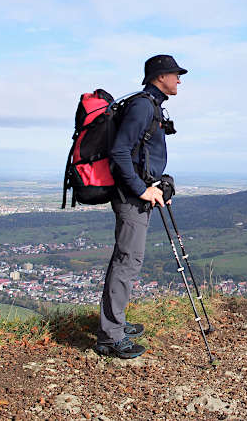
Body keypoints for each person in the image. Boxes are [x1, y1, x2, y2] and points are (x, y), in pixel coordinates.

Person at [94, 54, 187, 358]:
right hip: (130, 197)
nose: (179, 80)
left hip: (139, 192)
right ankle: (110, 336)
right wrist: (141, 190)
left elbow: (139, 155)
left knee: (126, 259)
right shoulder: (143, 106)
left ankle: (115, 323)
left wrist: (156, 186)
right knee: (127, 262)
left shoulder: (151, 105)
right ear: (160, 76)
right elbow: (120, 152)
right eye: (175, 74)